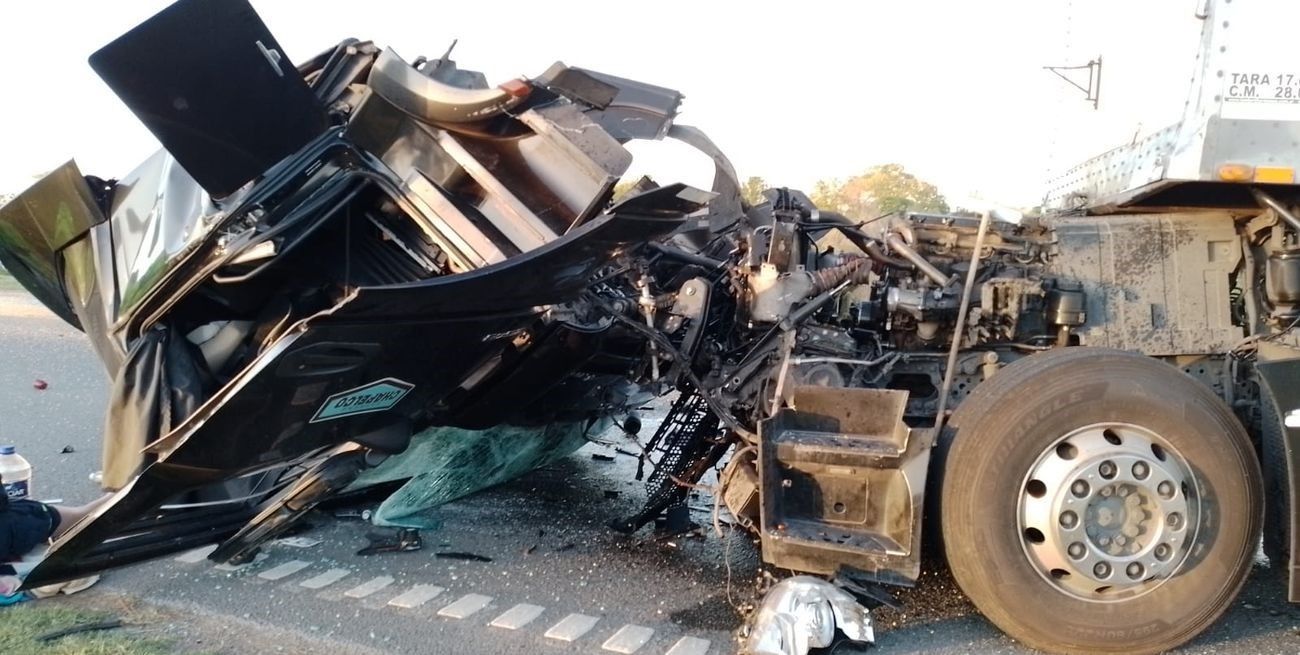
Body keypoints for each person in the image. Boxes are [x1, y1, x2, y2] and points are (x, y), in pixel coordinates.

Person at [1, 472, 112, 602]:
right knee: (83, 516)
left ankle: (123, 492)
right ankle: (122, 492)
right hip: (16, 523)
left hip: (19, 523)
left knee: (84, 517)